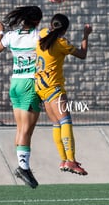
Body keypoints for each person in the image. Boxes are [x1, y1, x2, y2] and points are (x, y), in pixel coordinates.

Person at [35, 13, 92, 176]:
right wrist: (85, 36)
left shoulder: (43, 33)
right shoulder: (61, 43)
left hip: (41, 86)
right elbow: (82, 54)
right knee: (65, 122)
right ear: (65, 30)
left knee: (56, 124)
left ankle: (63, 160)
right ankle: (71, 161)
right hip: (54, 87)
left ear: (51, 25)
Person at [0, 6, 42, 189]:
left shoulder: (12, 35)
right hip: (29, 85)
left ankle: (22, 165)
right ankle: (23, 167)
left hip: (15, 84)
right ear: (37, 21)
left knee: (21, 129)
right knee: (26, 131)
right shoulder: (38, 36)